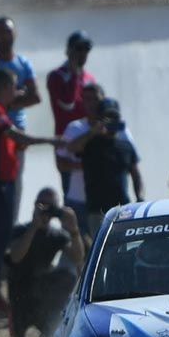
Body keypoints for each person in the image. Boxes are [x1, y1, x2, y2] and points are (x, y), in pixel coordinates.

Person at [0, 69, 59, 313]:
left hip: (1, 182)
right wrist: (53, 141)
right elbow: (17, 136)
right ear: (1, 88)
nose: (18, 92)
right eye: (13, 87)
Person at [6, 188, 84, 337]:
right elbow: (15, 257)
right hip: (21, 293)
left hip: (43, 294)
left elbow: (78, 257)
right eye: (42, 205)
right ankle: (18, 326)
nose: (46, 210)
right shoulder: (20, 230)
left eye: (51, 206)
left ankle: (50, 325)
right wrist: (34, 227)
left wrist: (74, 230)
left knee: (68, 277)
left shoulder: (57, 235)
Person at [0, 16, 41, 220]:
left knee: (15, 179)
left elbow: (35, 96)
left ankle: (11, 224)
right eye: (1, 31)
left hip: (17, 131)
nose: (5, 36)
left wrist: (8, 101)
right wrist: (16, 96)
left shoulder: (23, 63)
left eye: (8, 31)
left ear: (15, 34)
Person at [74, 98, 143, 239]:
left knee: (124, 244)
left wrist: (139, 197)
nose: (112, 121)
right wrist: (93, 132)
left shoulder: (126, 145)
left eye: (115, 117)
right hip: (97, 209)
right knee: (101, 246)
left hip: (123, 208)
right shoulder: (90, 144)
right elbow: (73, 147)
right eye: (108, 118)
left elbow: (136, 174)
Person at [56, 82, 110, 237]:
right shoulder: (74, 128)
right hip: (78, 200)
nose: (91, 104)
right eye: (87, 99)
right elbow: (61, 163)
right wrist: (87, 166)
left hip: (105, 201)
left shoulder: (115, 129)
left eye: (95, 99)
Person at [47, 30, 96, 198]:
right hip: (67, 144)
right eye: (78, 48)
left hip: (88, 142)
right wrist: (74, 74)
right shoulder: (57, 76)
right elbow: (67, 104)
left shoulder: (89, 79)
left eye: (86, 49)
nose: (82, 54)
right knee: (72, 192)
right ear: (69, 50)